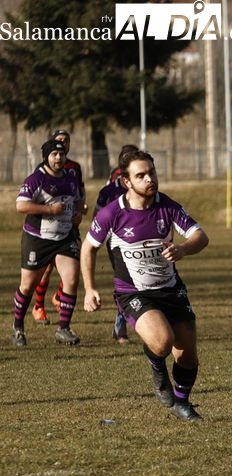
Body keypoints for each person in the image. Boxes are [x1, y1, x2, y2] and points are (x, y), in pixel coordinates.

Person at [81, 150, 209, 421]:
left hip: (171, 288)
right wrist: (90, 289)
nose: (149, 179)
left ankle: (182, 403)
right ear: (126, 181)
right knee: (163, 342)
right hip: (133, 293)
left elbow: (200, 236)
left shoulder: (168, 206)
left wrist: (183, 249)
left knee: (187, 354)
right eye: (141, 175)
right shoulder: (112, 213)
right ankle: (157, 370)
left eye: (151, 172)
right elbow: (88, 248)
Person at [11, 139, 84, 347]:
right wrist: (50, 210)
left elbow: (79, 199)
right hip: (38, 239)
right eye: (54, 154)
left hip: (64, 237)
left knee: (71, 279)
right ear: (46, 157)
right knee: (27, 286)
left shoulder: (71, 177)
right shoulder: (36, 178)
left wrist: (78, 213)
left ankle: (63, 328)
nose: (59, 158)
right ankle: (18, 327)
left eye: (61, 154)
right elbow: (21, 206)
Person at [30, 129, 86, 326]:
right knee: (46, 269)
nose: (63, 143)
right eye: (59, 140)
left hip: (69, 225)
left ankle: (59, 297)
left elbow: (80, 192)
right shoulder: (42, 168)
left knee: (74, 264)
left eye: (66, 140)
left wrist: (79, 211)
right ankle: (38, 306)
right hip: (48, 228)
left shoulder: (75, 167)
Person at [93, 144, 139, 344]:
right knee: (127, 281)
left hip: (141, 242)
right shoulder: (108, 192)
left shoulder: (143, 188)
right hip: (116, 244)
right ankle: (121, 325)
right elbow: (97, 218)